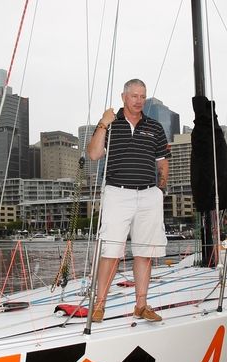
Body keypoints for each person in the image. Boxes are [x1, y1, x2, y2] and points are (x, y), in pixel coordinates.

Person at [87, 78, 170, 322]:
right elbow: (93, 154)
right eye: (134, 96)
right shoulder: (110, 124)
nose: (139, 101)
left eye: (142, 96)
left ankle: (141, 305)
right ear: (123, 97)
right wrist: (103, 123)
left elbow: (162, 162)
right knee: (111, 251)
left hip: (148, 195)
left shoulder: (154, 127)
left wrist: (160, 190)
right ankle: (99, 305)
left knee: (145, 252)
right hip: (117, 193)